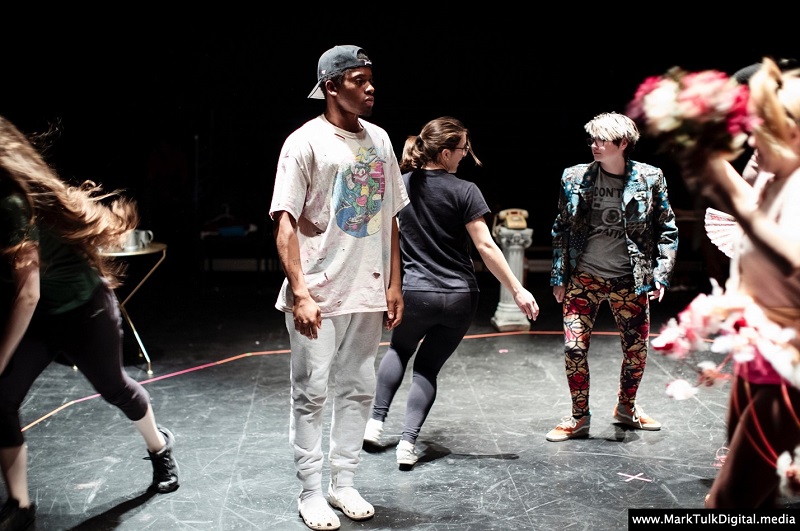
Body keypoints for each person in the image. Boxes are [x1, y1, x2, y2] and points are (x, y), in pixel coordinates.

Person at [0, 116, 179, 531]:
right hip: (45, 317)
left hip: (84, 311)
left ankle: (160, 449)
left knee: (115, 387)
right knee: (3, 399)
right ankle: (20, 506)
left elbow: (28, 293)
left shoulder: (12, 203)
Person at [269, 44, 408, 531]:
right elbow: (284, 223)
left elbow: (391, 216)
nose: (370, 88)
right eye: (358, 80)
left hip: (366, 291)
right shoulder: (304, 142)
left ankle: (343, 482)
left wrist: (395, 282)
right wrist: (300, 292)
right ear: (331, 86)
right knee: (310, 393)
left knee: (359, 390)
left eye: (371, 78)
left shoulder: (380, 139)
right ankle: (310, 491)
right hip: (319, 292)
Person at [362, 118, 540, 469]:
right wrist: (517, 289)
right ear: (445, 153)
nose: (464, 155)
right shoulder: (466, 191)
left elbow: (385, 239)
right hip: (459, 297)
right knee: (427, 369)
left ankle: (374, 425)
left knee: (399, 350)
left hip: (416, 293)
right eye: (462, 150)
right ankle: (407, 445)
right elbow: (485, 247)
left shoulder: (401, 185)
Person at [692, 57, 800, 509]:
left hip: (789, 368)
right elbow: (746, 210)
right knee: (762, 499)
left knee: (726, 505)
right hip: (761, 353)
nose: (748, 140)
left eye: (757, 128)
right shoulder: (776, 175)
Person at [547, 111, 679, 442]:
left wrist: (661, 273)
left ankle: (626, 408)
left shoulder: (650, 177)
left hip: (630, 280)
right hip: (584, 277)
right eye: (592, 139)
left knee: (636, 352)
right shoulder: (574, 177)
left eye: (602, 140)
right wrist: (559, 275)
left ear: (622, 144)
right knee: (574, 349)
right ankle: (579, 416)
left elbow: (667, 227)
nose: (594, 145)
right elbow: (561, 227)